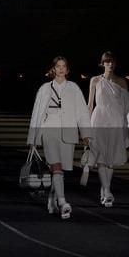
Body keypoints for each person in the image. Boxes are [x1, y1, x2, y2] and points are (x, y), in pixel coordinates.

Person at [27, 56, 90, 220]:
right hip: (49, 130)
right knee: (56, 166)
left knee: (60, 169)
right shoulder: (44, 88)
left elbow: (82, 112)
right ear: (53, 69)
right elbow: (37, 113)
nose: (61, 69)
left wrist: (86, 134)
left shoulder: (74, 88)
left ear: (67, 69)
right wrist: (33, 138)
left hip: (68, 132)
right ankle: (63, 202)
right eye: (58, 66)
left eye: (64, 66)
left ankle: (52, 198)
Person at [84, 51, 129, 207]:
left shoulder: (122, 82)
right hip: (99, 120)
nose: (109, 64)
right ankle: (108, 191)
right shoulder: (95, 80)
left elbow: (128, 106)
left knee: (110, 159)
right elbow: (90, 105)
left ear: (115, 64)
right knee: (101, 157)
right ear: (102, 63)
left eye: (112, 61)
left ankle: (105, 190)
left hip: (115, 121)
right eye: (107, 61)